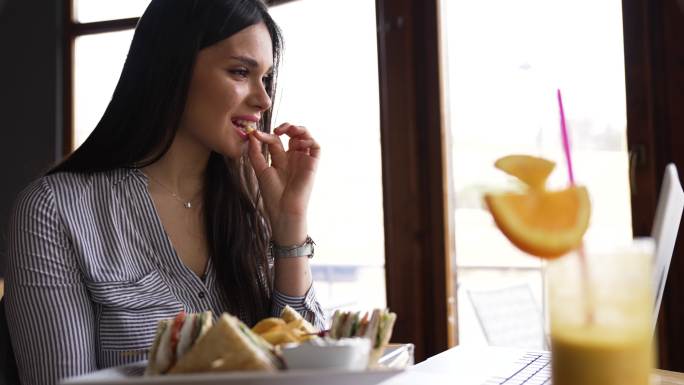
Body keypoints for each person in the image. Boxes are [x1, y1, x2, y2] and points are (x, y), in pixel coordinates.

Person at [3, 0, 325, 384]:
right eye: (241, 72)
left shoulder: (253, 204)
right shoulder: (56, 210)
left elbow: (313, 371)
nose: (264, 100)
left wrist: (289, 228)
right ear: (173, 69)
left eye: (267, 79)